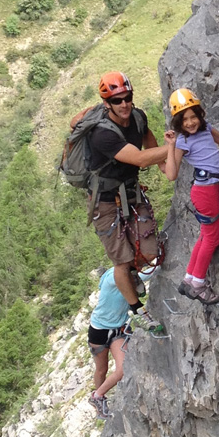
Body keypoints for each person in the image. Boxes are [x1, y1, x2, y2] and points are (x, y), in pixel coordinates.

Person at [74, 71, 169, 335]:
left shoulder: (137, 117)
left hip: (131, 193)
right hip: (104, 203)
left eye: (127, 98)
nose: (124, 104)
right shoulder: (101, 134)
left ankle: (132, 275)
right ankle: (137, 310)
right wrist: (178, 146)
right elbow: (139, 159)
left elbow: (150, 143)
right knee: (122, 261)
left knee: (150, 253)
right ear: (107, 103)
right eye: (117, 101)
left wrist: (166, 162)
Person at [163, 88, 219, 305]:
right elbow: (172, 174)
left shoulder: (206, 129)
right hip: (206, 191)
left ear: (200, 115)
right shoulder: (182, 141)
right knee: (212, 237)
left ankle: (189, 277)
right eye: (185, 120)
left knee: (205, 235)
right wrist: (171, 146)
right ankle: (198, 284)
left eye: (193, 117)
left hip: (208, 189)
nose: (191, 122)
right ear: (178, 123)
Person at [88, 267, 132, 420]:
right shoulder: (114, 276)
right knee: (101, 369)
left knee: (122, 368)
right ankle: (99, 399)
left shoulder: (121, 273)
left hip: (117, 329)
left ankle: (97, 396)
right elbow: (135, 278)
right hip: (99, 330)